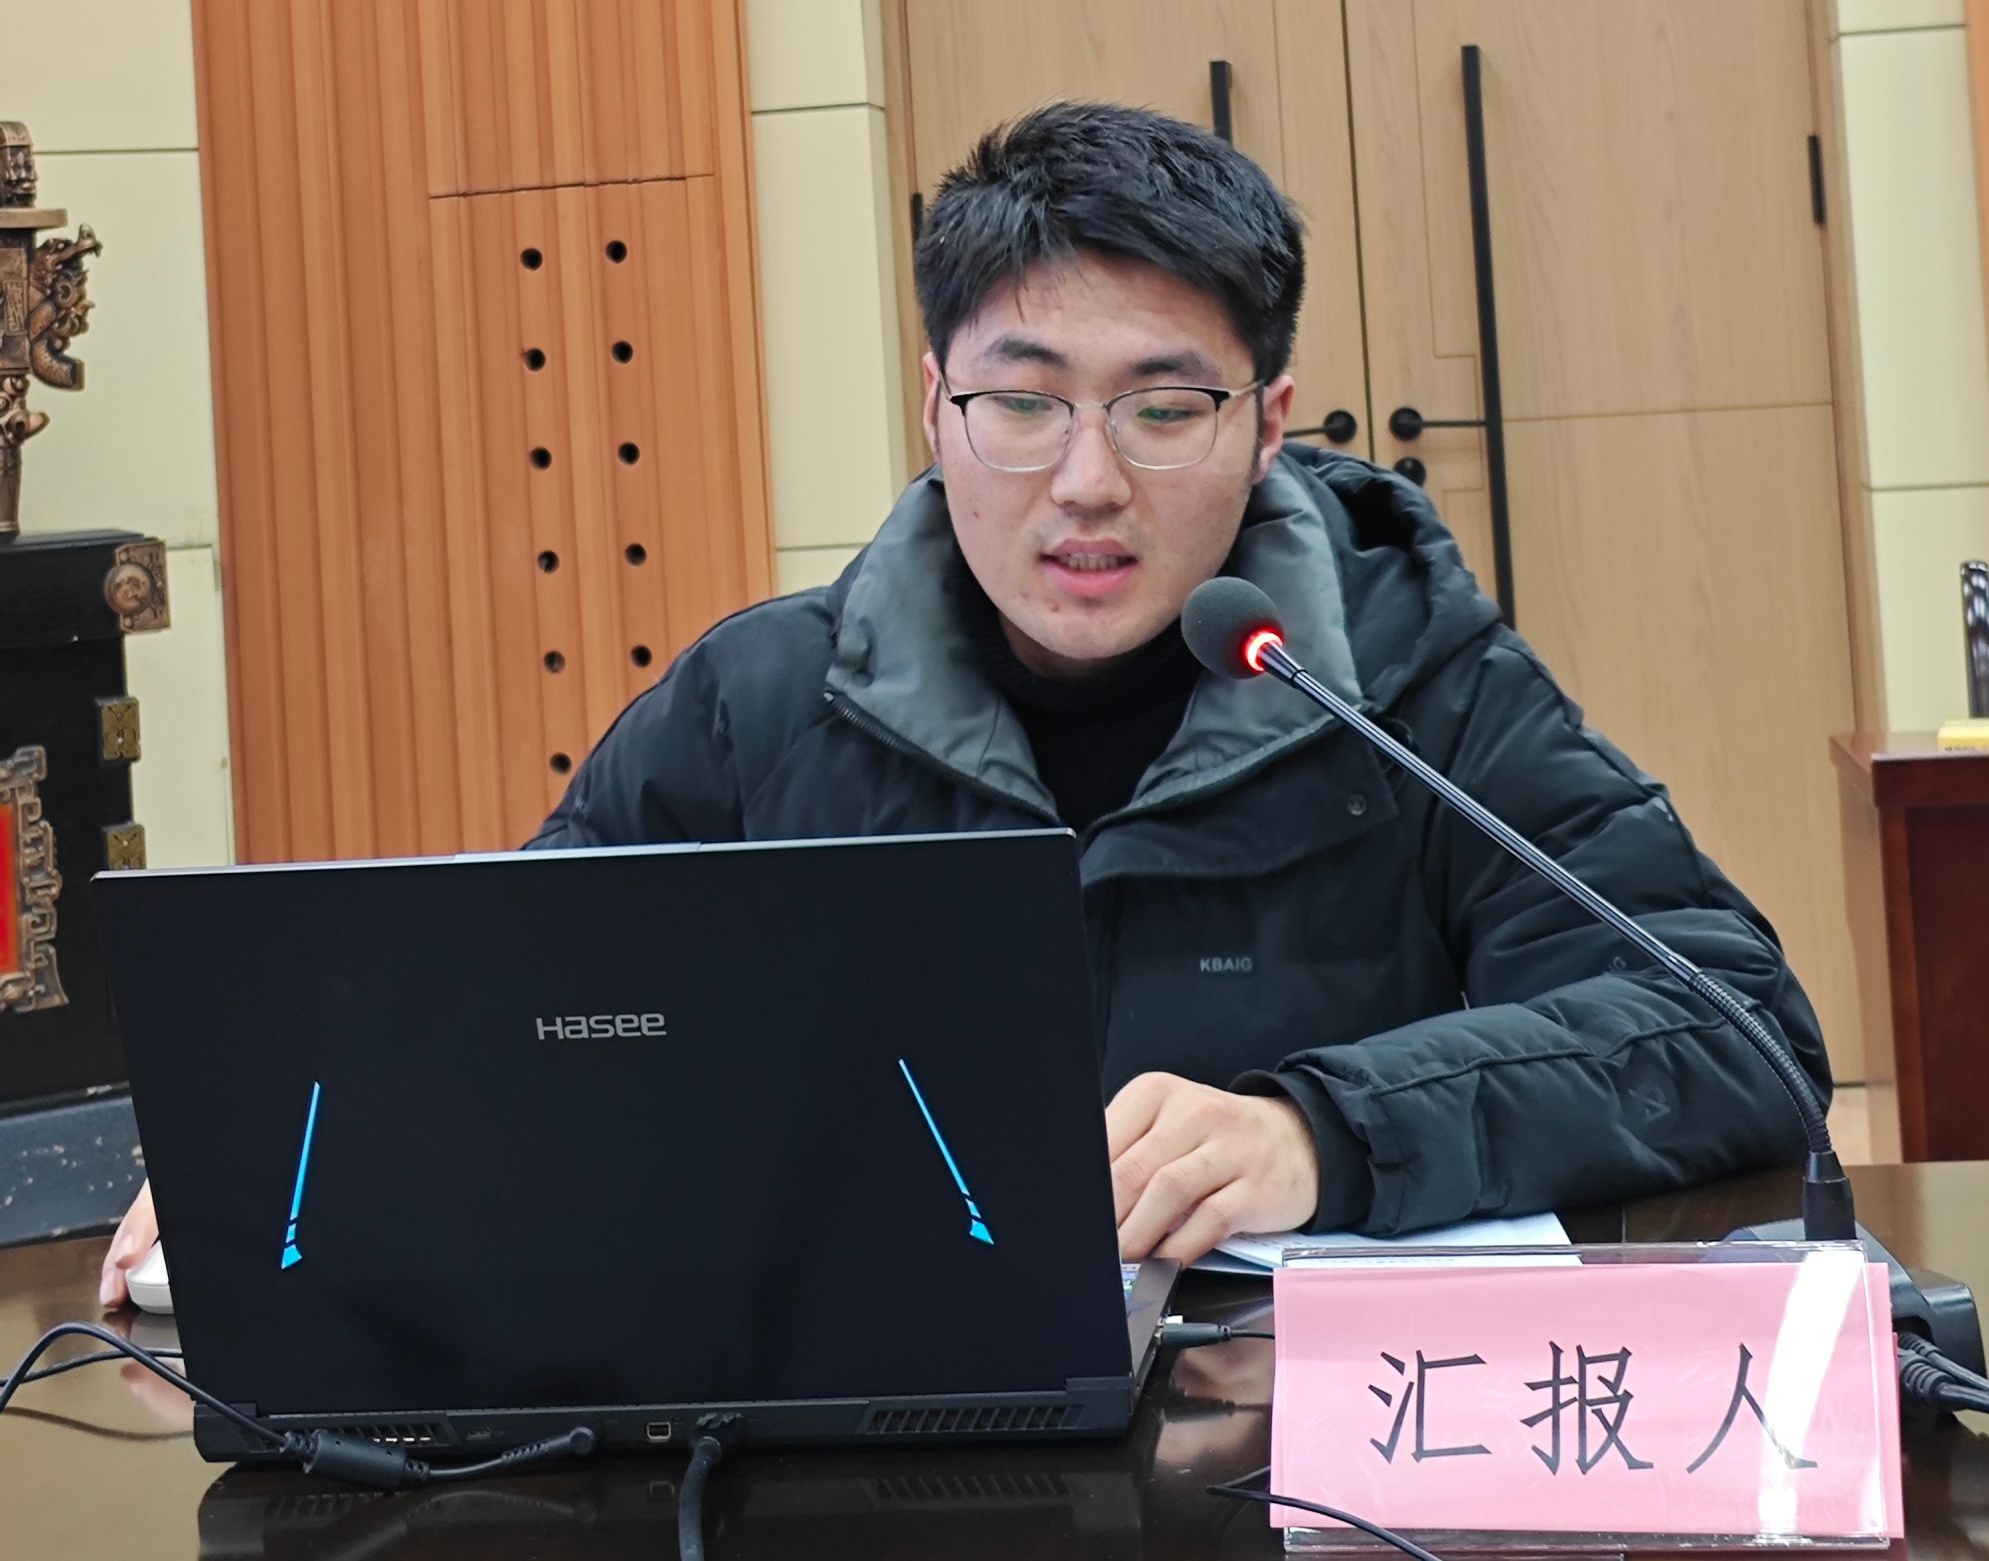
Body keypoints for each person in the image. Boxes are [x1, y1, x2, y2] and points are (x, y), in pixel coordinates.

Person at [101, 100, 1828, 1306]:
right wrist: (300, 1146)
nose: (1087, 481)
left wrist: (1322, 1127)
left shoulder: (1404, 678)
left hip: (1274, 1463)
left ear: (1269, 421)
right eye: (1024, 402)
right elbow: (513, 1009)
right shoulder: (759, 702)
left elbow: (1732, 1023)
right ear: (934, 402)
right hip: (859, 1456)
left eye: (1165, 407)